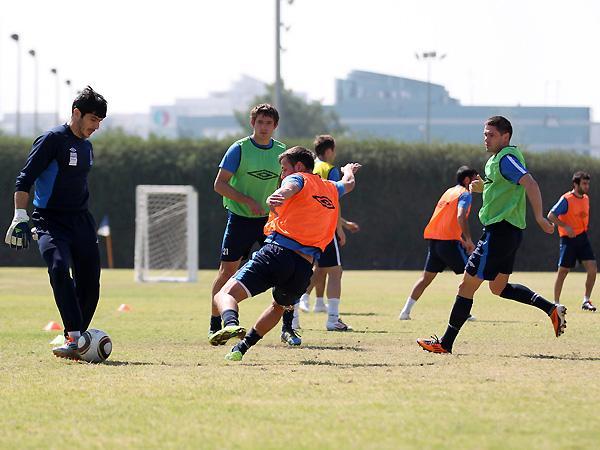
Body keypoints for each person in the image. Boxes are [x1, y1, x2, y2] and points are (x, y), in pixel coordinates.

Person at [417, 116, 567, 354]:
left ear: (505, 136)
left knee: (466, 286)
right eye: (485, 134)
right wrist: (484, 187)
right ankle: (551, 309)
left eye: (491, 135)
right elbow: (505, 188)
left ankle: (445, 344)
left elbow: (530, 183)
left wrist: (539, 217)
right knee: (499, 288)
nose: (486, 138)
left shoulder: (506, 158)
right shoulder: (497, 160)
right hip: (507, 233)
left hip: (499, 233)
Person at [210, 146, 361, 361]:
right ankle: (241, 349)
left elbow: (290, 186)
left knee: (224, 294)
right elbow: (349, 183)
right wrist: (348, 170)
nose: (282, 175)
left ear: (298, 167)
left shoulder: (297, 178)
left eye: (283, 169)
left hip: (277, 253)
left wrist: (279, 194)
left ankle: (231, 324)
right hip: (303, 268)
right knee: (278, 307)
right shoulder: (330, 187)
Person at [5, 86, 107, 360]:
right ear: (77, 113)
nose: (96, 126)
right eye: (93, 119)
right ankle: (74, 338)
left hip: (81, 221)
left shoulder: (87, 147)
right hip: (50, 221)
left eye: (100, 121)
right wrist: (20, 215)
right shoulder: (51, 140)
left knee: (91, 284)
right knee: (59, 268)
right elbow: (24, 180)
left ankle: (76, 338)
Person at [208, 104, 285, 344]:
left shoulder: (282, 152)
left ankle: (289, 327)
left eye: (269, 123)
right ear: (252, 123)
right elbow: (219, 184)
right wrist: (247, 201)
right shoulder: (239, 149)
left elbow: (288, 184)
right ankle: (215, 325)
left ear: (275, 126)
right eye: (260, 122)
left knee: (283, 270)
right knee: (227, 272)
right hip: (240, 220)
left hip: (269, 221)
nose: (264, 127)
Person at [292, 135, 359, 334]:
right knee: (335, 272)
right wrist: (339, 228)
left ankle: (293, 319)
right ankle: (332, 319)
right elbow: (332, 200)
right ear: (329, 150)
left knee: (303, 270)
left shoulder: (307, 170)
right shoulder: (330, 169)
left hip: (304, 227)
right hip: (324, 228)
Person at [399, 166, 478, 320]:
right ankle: (463, 313)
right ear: (467, 180)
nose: (478, 182)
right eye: (475, 178)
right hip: (448, 244)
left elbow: (446, 221)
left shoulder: (449, 192)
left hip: (435, 243)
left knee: (425, 279)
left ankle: (405, 312)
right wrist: (468, 239)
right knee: (471, 276)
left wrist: (461, 239)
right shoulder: (465, 194)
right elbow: (460, 216)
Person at [547, 171, 596, 311]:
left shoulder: (586, 198)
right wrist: (565, 226)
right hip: (568, 240)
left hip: (582, 238)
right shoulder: (566, 199)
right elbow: (551, 215)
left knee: (592, 269)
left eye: (588, 184)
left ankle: (586, 300)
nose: (587, 186)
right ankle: (556, 303)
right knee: (563, 271)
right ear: (576, 184)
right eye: (584, 183)